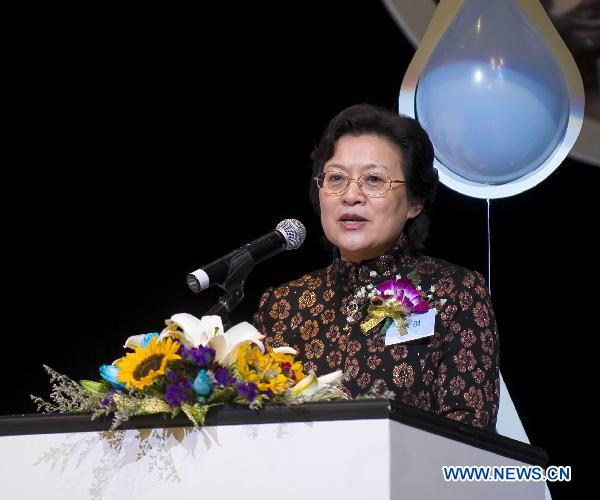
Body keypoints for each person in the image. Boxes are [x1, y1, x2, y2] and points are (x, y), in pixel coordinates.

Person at [253, 104, 500, 431]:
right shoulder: (283, 304)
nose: (351, 195)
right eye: (336, 178)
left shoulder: (453, 291)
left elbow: (469, 432)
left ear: (414, 201)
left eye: (373, 180)